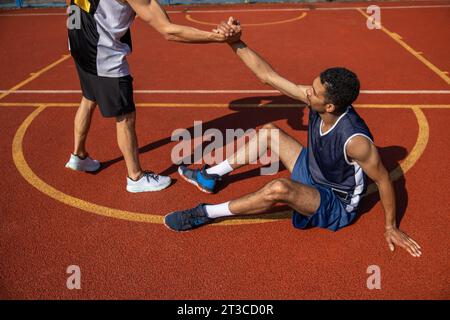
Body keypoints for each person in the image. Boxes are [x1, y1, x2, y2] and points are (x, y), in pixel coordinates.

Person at [164, 19, 422, 258]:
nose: (307, 92)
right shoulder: (318, 102)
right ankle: (211, 176)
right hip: (313, 170)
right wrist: (234, 42)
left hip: (335, 202)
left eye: (315, 91)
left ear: (330, 106)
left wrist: (391, 226)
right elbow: (268, 77)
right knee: (269, 132)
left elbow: (383, 180)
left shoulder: (355, 141)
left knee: (279, 188)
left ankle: (205, 213)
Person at [65, 0, 240, 193]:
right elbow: (168, 31)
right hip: (102, 54)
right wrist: (217, 37)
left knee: (89, 97)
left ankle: (78, 156)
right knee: (125, 117)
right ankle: (135, 177)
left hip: (78, 41)